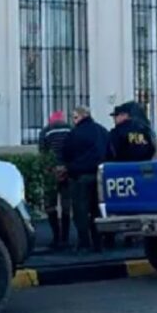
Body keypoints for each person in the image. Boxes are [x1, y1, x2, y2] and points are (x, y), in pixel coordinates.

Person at [60, 105, 111, 252]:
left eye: (75, 117)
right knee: (97, 210)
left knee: (80, 211)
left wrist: (70, 168)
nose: (73, 120)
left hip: (80, 176)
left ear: (81, 116)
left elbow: (66, 153)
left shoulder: (74, 133)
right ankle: (98, 242)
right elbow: (111, 151)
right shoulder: (102, 131)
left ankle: (84, 243)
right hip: (99, 175)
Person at [38, 110, 73, 250]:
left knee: (50, 205)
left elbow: (43, 153)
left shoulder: (45, 131)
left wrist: (50, 169)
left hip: (51, 173)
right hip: (67, 171)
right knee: (66, 205)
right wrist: (66, 167)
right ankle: (65, 238)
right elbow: (73, 150)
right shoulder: (70, 129)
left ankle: (56, 237)